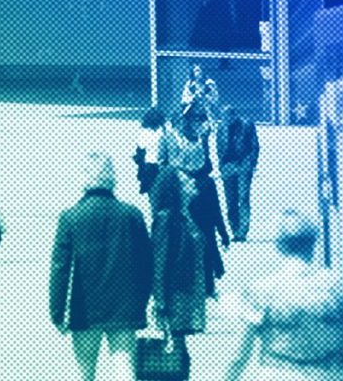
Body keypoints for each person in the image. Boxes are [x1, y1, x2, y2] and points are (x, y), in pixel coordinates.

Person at [224, 210, 343, 381]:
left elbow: (238, 357)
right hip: (330, 375)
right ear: (313, 243)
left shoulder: (260, 291)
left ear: (279, 245)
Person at [49, 153, 154, 381]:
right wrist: (142, 301)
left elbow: (60, 269)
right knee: (124, 366)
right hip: (124, 306)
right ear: (112, 177)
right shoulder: (132, 215)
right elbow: (148, 265)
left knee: (85, 370)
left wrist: (57, 313)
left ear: (84, 178)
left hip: (84, 307)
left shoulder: (70, 216)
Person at [149, 166, 210, 380]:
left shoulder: (187, 217)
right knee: (176, 356)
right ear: (175, 188)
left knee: (180, 354)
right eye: (187, 181)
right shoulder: (167, 219)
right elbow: (158, 263)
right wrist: (161, 304)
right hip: (175, 298)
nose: (193, 183)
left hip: (187, 296)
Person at [161, 112, 229, 297]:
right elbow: (217, 211)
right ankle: (208, 287)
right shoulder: (208, 183)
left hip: (183, 225)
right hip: (206, 226)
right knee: (206, 252)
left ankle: (188, 287)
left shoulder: (175, 182)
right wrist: (223, 232)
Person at [216, 106, 259, 242]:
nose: (227, 120)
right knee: (230, 200)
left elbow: (255, 146)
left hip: (243, 165)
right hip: (228, 166)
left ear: (235, 116)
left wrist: (250, 163)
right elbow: (219, 147)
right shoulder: (221, 127)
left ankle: (242, 232)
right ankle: (234, 230)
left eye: (229, 117)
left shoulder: (246, 124)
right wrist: (222, 166)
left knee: (243, 197)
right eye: (224, 118)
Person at [133, 106, 166, 208]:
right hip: (161, 164)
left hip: (149, 165)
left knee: (151, 192)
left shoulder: (143, 132)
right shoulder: (162, 131)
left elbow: (141, 147)